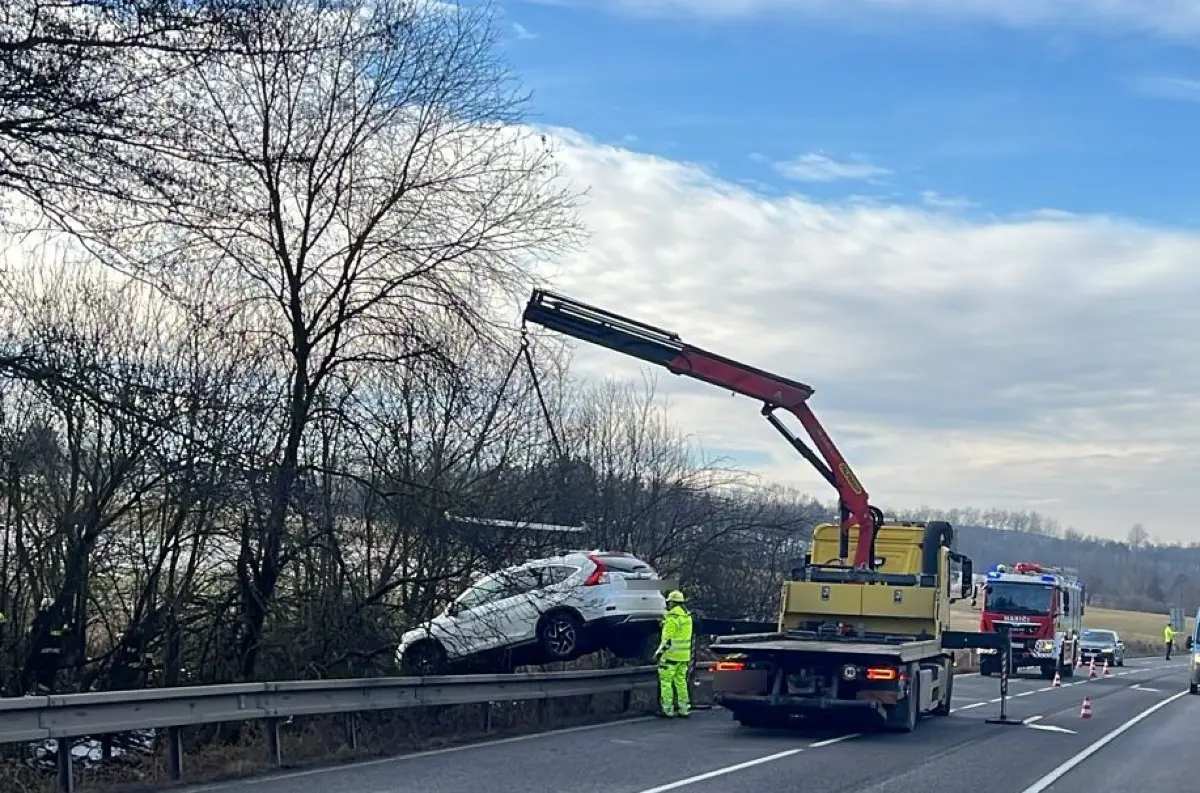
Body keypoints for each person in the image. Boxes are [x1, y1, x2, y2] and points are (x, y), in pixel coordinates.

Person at [654, 589, 693, 718]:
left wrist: (658, 653)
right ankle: (684, 709)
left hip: (670, 656)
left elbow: (667, 639)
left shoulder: (672, 618)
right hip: (684, 656)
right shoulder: (687, 617)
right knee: (681, 682)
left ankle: (667, 709)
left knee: (666, 683)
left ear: (672, 603)